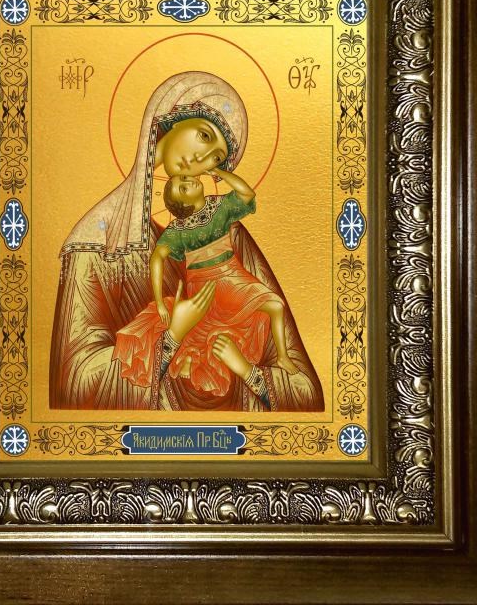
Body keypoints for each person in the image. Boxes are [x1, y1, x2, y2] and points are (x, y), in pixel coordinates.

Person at [50, 71, 324, 412]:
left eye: (216, 158)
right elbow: (74, 386)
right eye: (204, 135)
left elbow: (304, 390)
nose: (200, 160)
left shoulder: (227, 231)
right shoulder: (97, 240)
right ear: (171, 116)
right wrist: (171, 337)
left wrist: (248, 373)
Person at [113, 170, 300, 405]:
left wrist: (221, 173)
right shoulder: (178, 229)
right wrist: (159, 302)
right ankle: (198, 358)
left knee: (275, 306)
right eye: (183, 187)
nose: (188, 180)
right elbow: (157, 258)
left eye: (184, 178)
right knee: (266, 308)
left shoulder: (218, 207)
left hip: (233, 275)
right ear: (183, 205)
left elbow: (247, 194)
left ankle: (282, 357)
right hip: (207, 283)